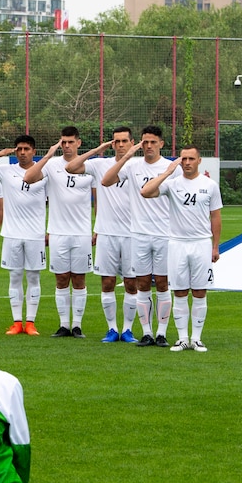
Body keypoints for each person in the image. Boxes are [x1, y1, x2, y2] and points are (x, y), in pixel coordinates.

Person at [141, 146, 222, 352]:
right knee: (179, 291)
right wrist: (167, 172)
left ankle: (196, 338)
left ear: (199, 160)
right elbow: (145, 192)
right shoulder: (172, 184)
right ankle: (182, 338)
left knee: (200, 291)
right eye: (183, 158)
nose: (187, 162)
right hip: (177, 243)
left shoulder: (210, 185)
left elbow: (215, 216)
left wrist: (215, 245)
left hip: (201, 243)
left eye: (191, 159)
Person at [101, 125, 175, 347]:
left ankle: (161, 332)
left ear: (161, 143)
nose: (149, 146)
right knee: (142, 283)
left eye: (153, 142)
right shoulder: (132, 166)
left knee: (162, 283)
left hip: (164, 233)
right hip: (138, 234)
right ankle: (146, 332)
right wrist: (127, 156)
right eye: (145, 142)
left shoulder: (171, 168)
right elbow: (106, 181)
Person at [66, 127, 140, 343]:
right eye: (116, 141)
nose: (120, 145)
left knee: (131, 284)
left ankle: (127, 330)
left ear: (132, 142)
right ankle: (111, 329)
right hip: (107, 233)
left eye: (124, 141)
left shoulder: (138, 167)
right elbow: (71, 167)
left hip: (132, 234)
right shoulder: (100, 165)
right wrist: (98, 149)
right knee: (107, 282)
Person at [22, 127, 96, 338]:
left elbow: (98, 198)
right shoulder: (52, 165)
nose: (66, 146)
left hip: (81, 232)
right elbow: (28, 178)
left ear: (79, 143)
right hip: (57, 232)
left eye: (70, 142)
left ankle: (77, 325)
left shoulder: (89, 167)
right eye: (63, 142)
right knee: (62, 278)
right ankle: (64, 325)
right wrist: (47, 155)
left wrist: (96, 227)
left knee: (79, 279)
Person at [0, 135, 47, 336]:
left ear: (34, 151)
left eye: (26, 149)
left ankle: (30, 323)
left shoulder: (44, 170)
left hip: (35, 234)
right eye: (19, 149)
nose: (22, 152)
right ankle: (17, 323)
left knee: (33, 277)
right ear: (14, 151)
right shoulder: (5, 171)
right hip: (11, 234)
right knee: (14, 277)